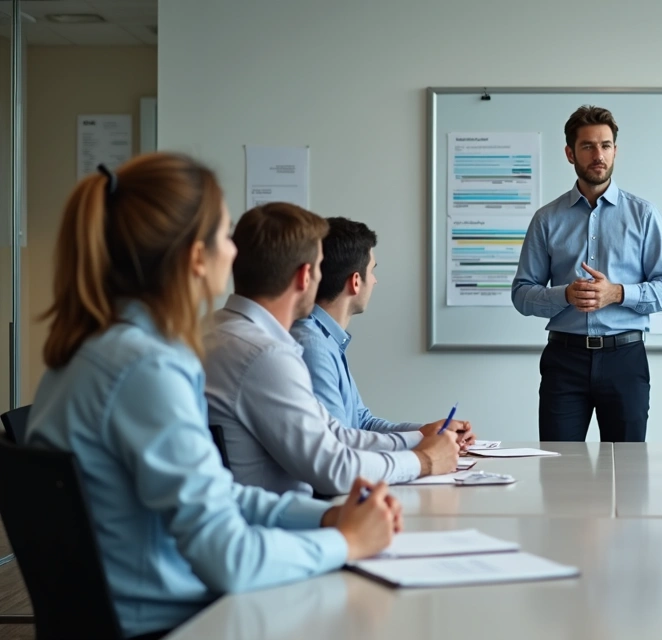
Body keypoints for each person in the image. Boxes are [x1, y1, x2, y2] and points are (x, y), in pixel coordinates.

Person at [24, 154, 401, 639]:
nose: (234, 252)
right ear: (197, 258)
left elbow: (218, 496)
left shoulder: (96, 350)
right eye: (226, 235)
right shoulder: (147, 367)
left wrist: (327, 515)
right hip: (175, 623)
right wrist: (344, 542)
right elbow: (229, 558)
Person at [204, 203, 459, 496]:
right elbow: (333, 468)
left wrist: (420, 439)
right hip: (285, 525)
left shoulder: (213, 331)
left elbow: (333, 433)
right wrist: (424, 460)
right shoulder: (265, 355)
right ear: (305, 276)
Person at [512, 105, 662, 442]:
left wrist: (617, 293)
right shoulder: (547, 219)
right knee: (559, 472)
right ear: (570, 153)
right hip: (565, 360)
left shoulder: (643, 215)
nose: (598, 155)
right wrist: (564, 295)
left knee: (628, 473)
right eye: (587, 146)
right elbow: (521, 293)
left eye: (605, 145)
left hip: (625, 359)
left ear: (615, 151)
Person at [291, 217, 475, 447]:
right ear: (355, 282)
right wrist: (424, 447)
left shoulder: (327, 339)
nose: (375, 281)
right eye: (372, 270)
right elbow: (337, 444)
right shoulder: (312, 346)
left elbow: (363, 423)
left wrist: (428, 433)